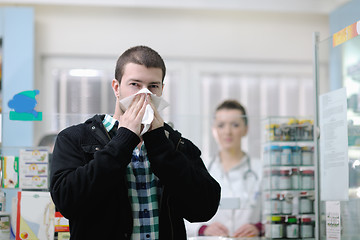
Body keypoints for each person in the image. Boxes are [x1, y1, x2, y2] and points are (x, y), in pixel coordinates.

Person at [49, 46, 221, 240]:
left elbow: (204, 208)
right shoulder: (75, 139)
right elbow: (67, 201)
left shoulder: (176, 144)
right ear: (116, 87)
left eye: (153, 86)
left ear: (161, 90)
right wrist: (124, 140)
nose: (144, 94)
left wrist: (159, 144)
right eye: (135, 84)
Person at [187, 100, 262, 238]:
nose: (228, 131)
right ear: (214, 130)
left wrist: (260, 227)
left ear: (246, 129)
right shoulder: (199, 168)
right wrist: (202, 228)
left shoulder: (261, 170)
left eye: (235, 125)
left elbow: (277, 211)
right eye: (221, 125)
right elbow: (182, 212)